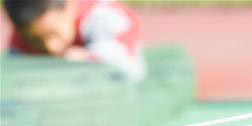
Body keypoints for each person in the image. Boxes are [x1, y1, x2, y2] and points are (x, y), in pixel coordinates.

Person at [3, 0, 146, 81]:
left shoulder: (104, 17)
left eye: (54, 33)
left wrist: (87, 58)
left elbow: (132, 70)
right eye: (36, 40)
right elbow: (14, 83)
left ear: (69, 6)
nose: (51, 47)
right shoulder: (23, 35)